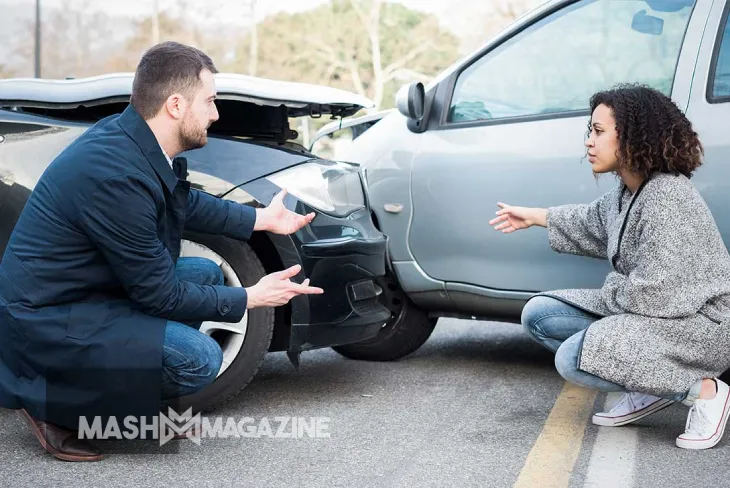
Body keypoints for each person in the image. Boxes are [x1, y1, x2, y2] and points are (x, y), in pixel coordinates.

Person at [0, 41, 324, 462]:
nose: (216, 114)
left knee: (206, 277)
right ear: (175, 105)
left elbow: (182, 202)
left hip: (83, 290)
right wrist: (252, 297)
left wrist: (262, 219)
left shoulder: (131, 139)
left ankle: (127, 382)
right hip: (47, 318)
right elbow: (160, 296)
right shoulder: (114, 175)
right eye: (209, 101)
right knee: (200, 359)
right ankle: (55, 405)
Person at [489, 84, 730, 450]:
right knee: (540, 314)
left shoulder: (668, 198)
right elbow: (591, 222)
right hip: (661, 315)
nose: (589, 141)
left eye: (599, 132)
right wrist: (535, 217)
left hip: (703, 327)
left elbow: (658, 296)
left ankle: (705, 391)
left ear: (633, 136)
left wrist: (613, 289)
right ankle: (652, 385)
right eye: (591, 131)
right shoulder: (629, 190)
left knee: (574, 359)